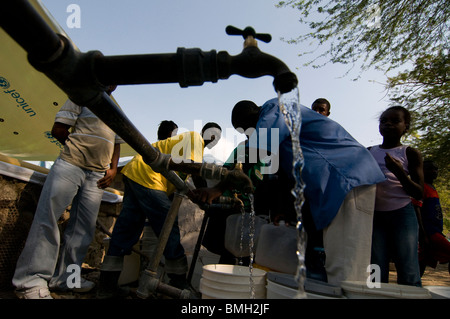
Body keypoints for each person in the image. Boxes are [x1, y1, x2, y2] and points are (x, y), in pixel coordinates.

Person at [195, 98, 385, 286]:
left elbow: (255, 153)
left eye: (246, 129)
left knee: (345, 268)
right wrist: (284, 207)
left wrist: (217, 189)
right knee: (332, 263)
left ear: (254, 115)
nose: (247, 136)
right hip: (336, 183)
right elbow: (287, 173)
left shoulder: (275, 108)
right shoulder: (282, 132)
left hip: (346, 176)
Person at [12, 85, 124, 299]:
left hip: (97, 176)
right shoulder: (81, 95)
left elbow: (116, 143)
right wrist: (79, 150)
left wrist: (113, 168)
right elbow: (59, 130)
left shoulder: (114, 110)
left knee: (83, 230)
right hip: (71, 165)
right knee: (48, 219)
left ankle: (67, 279)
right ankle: (30, 282)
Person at [97, 122, 221, 298]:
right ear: (206, 133)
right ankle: (179, 282)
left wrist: (196, 195)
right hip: (148, 177)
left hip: (135, 173)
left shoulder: (184, 144)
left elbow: (180, 176)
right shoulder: (195, 138)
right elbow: (194, 169)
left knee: (125, 231)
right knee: (169, 228)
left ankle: (106, 286)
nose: (215, 139)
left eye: (218, 136)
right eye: (214, 134)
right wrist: (207, 194)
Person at [369, 106, 424, 287]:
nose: (388, 124)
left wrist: (399, 172)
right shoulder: (369, 152)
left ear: (406, 127)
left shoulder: (409, 153)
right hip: (374, 215)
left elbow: (419, 192)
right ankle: (374, 296)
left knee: (407, 265)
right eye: (384, 121)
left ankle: (412, 293)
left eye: (395, 121)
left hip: (402, 215)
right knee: (376, 266)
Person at [417, 160, 450, 276]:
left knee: (423, 260)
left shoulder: (432, 188)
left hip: (436, 231)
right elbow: (418, 210)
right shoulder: (422, 187)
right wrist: (423, 233)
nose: (434, 172)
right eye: (430, 168)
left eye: (436, 169)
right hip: (430, 232)